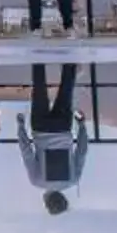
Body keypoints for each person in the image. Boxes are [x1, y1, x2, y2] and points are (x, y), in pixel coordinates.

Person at [18, 61, 87, 214]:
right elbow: (27, 153)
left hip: (63, 128)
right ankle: (37, 56)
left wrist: (82, 126)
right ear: (47, 201)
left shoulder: (72, 180)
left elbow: (81, 152)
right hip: (40, 128)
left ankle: (69, 57)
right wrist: (20, 127)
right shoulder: (37, 181)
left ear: (63, 198)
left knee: (66, 89)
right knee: (39, 88)